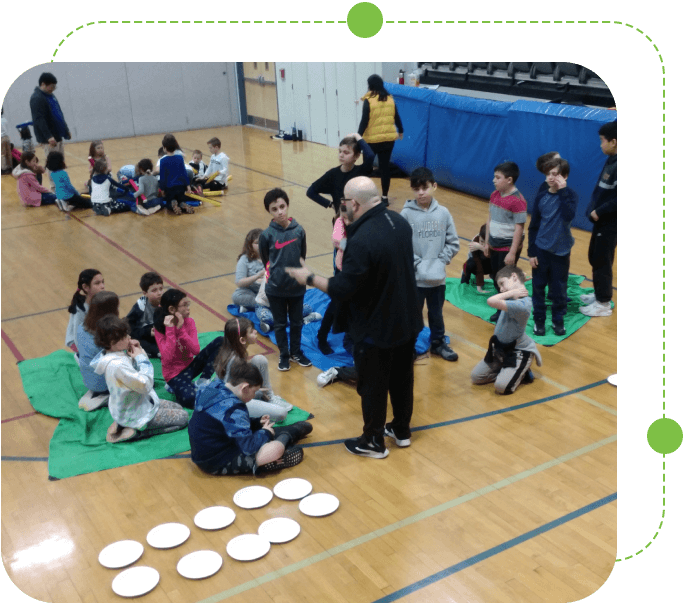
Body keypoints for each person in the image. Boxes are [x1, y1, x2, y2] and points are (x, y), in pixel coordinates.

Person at [286, 176, 423, 459]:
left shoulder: (361, 239)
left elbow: (342, 288)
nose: (342, 208)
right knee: (402, 378)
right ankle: (401, 430)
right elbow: (379, 258)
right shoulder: (399, 223)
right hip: (407, 320)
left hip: (376, 328)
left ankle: (373, 441)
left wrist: (308, 276)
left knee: (372, 384)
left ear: (355, 204)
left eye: (344, 203)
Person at [188, 359, 313, 476]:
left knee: (267, 432)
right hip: (216, 461)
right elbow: (249, 447)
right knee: (271, 445)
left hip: (214, 446)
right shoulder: (234, 409)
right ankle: (282, 442)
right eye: (254, 391)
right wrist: (265, 433)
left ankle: (285, 436)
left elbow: (228, 424)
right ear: (245, 388)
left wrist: (258, 422)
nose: (254, 396)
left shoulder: (214, 386)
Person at [91, 315, 189, 443]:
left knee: (178, 407)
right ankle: (138, 431)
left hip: (134, 404)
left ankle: (122, 423)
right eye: (124, 337)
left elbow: (135, 374)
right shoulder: (117, 365)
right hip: (136, 412)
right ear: (112, 343)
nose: (129, 338)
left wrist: (139, 352)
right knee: (184, 418)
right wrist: (141, 358)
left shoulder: (113, 354)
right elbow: (146, 384)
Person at [401, 167, 460, 361]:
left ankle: (438, 344)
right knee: (413, 316)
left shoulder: (443, 213)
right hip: (415, 280)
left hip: (437, 279)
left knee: (436, 314)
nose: (421, 192)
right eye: (416, 189)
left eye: (424, 188)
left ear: (434, 186)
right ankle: (406, 347)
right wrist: (417, 264)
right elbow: (402, 245)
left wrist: (440, 261)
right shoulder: (406, 214)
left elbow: (453, 242)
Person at [258, 188, 312, 371]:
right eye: (275, 209)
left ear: (287, 206)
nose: (280, 211)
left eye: (282, 206)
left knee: (297, 321)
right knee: (280, 324)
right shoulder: (266, 235)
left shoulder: (299, 231)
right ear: (270, 212)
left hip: (296, 287)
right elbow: (266, 260)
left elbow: (302, 256)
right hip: (275, 289)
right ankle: (284, 354)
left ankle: (296, 351)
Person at [471, 265, 542, 395]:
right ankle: (509, 371)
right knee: (476, 377)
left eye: (502, 284)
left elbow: (491, 300)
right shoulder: (512, 295)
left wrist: (510, 291)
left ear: (514, 277)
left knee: (501, 387)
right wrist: (518, 284)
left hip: (518, 352)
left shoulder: (523, 304)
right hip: (500, 350)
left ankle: (521, 370)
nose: (502, 289)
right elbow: (514, 285)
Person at [527, 158, 578, 335]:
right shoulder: (541, 196)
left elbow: (568, 215)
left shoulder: (570, 195)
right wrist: (531, 251)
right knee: (538, 287)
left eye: (555, 174)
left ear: (565, 177)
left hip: (561, 252)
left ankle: (558, 320)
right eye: (548, 174)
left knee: (559, 288)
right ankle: (539, 320)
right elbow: (533, 226)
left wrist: (562, 190)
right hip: (541, 250)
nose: (550, 177)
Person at [153, 288, 223, 408]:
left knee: (221, 341)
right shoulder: (160, 328)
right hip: (174, 375)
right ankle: (174, 386)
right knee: (190, 399)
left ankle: (203, 381)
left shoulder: (189, 322)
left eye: (188, 304)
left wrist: (181, 331)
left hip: (190, 368)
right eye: (184, 305)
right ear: (171, 309)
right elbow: (168, 357)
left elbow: (195, 350)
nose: (188, 308)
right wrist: (171, 330)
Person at [213, 317, 293, 421]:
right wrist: (257, 392)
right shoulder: (235, 361)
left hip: (237, 391)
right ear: (242, 340)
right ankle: (264, 397)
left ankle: (269, 397)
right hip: (229, 402)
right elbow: (232, 394)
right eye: (251, 331)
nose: (255, 331)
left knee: (260, 359)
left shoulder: (234, 351)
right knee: (281, 413)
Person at [580, 120, 617, 317]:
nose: (600, 145)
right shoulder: (611, 159)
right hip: (600, 221)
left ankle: (604, 303)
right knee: (595, 255)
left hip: (610, 222)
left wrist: (599, 211)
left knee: (602, 259)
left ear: (614, 142)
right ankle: (599, 293)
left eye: (602, 141)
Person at [484, 161, 527, 323]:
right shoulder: (494, 195)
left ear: (509, 180)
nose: (494, 180)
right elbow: (489, 219)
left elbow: (519, 229)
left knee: (506, 280)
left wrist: (512, 252)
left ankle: (507, 310)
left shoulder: (518, 201)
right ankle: (502, 306)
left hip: (507, 248)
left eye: (497, 178)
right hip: (494, 244)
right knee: (496, 276)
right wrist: (487, 242)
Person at [357, 74, 404, 205]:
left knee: (367, 168)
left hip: (371, 141)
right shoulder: (390, 99)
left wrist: (358, 138)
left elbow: (364, 121)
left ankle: (365, 197)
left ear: (370, 86)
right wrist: (401, 130)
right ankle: (384, 197)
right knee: (384, 168)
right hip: (389, 140)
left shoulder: (369, 100)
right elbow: (397, 117)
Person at [306, 133, 375, 215]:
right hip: (343, 219)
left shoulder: (361, 171)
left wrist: (357, 136)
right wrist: (330, 204)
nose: (341, 155)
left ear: (356, 156)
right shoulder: (332, 174)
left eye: (346, 153)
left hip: (360, 217)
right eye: (340, 151)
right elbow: (311, 191)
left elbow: (370, 156)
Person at [76, 290, 120, 411]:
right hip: (104, 383)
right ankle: (107, 397)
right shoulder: (109, 335)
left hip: (88, 379)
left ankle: (97, 391)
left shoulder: (81, 327)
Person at [29, 72, 71, 190]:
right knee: (52, 163)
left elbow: (59, 113)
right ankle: (55, 188)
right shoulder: (36, 98)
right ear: (43, 84)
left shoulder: (51, 95)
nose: (53, 89)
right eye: (51, 86)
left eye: (54, 87)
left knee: (60, 162)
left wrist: (66, 130)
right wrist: (48, 136)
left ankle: (63, 185)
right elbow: (39, 120)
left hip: (57, 135)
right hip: (49, 138)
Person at [126, 272, 164, 359]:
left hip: (160, 334)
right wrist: (148, 332)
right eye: (154, 290)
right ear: (145, 293)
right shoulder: (139, 308)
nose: (159, 293)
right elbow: (131, 331)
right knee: (137, 343)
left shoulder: (166, 303)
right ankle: (157, 352)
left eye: (161, 289)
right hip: (144, 335)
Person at [66, 269, 105, 350]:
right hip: (80, 348)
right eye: (97, 283)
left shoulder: (101, 302)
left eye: (102, 282)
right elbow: (77, 338)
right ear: (85, 287)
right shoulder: (80, 310)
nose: (102, 286)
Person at [158, 134, 193, 214]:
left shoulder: (163, 161)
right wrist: (188, 186)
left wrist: (162, 189)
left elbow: (163, 177)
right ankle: (182, 204)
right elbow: (184, 173)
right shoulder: (180, 158)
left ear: (164, 148)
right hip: (180, 187)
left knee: (168, 203)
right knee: (181, 199)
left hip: (170, 188)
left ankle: (172, 203)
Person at [232, 228, 265, 311]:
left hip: (269, 292)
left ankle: (252, 307)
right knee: (237, 296)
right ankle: (264, 306)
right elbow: (239, 282)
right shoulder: (244, 259)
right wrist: (258, 276)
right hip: (250, 292)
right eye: (257, 243)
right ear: (250, 245)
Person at [461, 224, 491, 293]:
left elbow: (496, 258)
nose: (483, 244)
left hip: (491, 263)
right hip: (478, 264)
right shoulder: (475, 241)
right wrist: (479, 287)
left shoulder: (495, 242)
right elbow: (478, 263)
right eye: (481, 241)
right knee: (468, 264)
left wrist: (482, 248)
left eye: (486, 243)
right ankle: (465, 283)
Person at [1, 108, 11, 175]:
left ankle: (4, 169)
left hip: (1, 138)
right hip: (7, 137)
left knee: (2, 154)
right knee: (8, 153)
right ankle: (10, 167)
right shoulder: (4, 120)